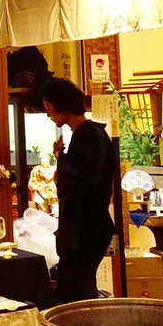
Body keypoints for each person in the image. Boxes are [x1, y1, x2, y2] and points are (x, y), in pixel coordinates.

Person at [40, 77, 118, 304]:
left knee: (77, 292)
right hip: (94, 226)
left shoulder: (86, 137)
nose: (48, 114)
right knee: (81, 286)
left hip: (84, 230)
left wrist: (59, 158)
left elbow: (75, 184)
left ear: (61, 106)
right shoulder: (96, 134)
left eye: (49, 108)